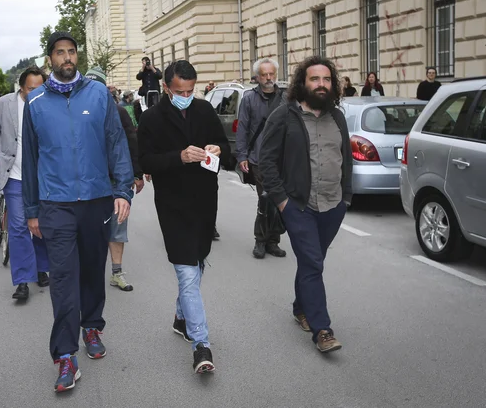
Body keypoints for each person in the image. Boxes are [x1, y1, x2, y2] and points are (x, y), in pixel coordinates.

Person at [22, 31, 134, 393]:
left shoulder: (99, 94)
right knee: (63, 278)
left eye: (71, 52)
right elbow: (30, 160)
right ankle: (65, 355)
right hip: (55, 204)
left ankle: (92, 326)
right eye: (60, 53)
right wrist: (31, 210)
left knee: (91, 269)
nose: (67, 58)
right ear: (50, 59)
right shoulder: (35, 102)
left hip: (97, 199)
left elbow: (116, 143)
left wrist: (122, 189)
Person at [138, 60, 230, 374]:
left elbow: (227, 153)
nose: (186, 96)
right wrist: (179, 156)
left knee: (199, 262)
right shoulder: (151, 118)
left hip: (205, 202)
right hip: (173, 206)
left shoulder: (205, 111)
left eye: (191, 91)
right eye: (180, 91)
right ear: (166, 87)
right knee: (188, 274)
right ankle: (201, 345)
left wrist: (218, 150)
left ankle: (181, 318)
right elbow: (145, 159)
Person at [259, 55, 353, 353]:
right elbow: (267, 161)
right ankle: (322, 330)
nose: (321, 84)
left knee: (313, 261)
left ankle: (301, 307)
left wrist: (346, 197)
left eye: (326, 79)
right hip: (298, 205)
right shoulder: (285, 115)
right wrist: (282, 201)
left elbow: (346, 159)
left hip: (333, 204)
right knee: (312, 261)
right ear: (303, 82)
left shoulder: (336, 116)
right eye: (315, 79)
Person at [0, 66, 50, 300]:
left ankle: (39, 266)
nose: (34, 93)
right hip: (14, 176)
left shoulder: (48, 103)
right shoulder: (4, 104)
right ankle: (23, 281)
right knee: (18, 228)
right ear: (21, 87)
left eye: (39, 88)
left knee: (40, 226)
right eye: (30, 89)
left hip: (42, 178)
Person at [85, 67, 144, 292]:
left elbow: (131, 143)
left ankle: (117, 273)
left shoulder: (118, 112)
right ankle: (90, 273)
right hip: (89, 183)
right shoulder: (78, 113)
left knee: (118, 228)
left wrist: (136, 174)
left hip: (116, 182)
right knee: (90, 230)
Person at [235, 58, 287, 259]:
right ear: (257, 77)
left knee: (279, 200)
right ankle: (260, 241)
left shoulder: (285, 98)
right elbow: (242, 129)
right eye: (264, 74)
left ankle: (273, 241)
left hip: (282, 159)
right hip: (258, 159)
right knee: (265, 200)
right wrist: (242, 156)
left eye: (271, 74)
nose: (268, 78)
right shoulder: (249, 99)